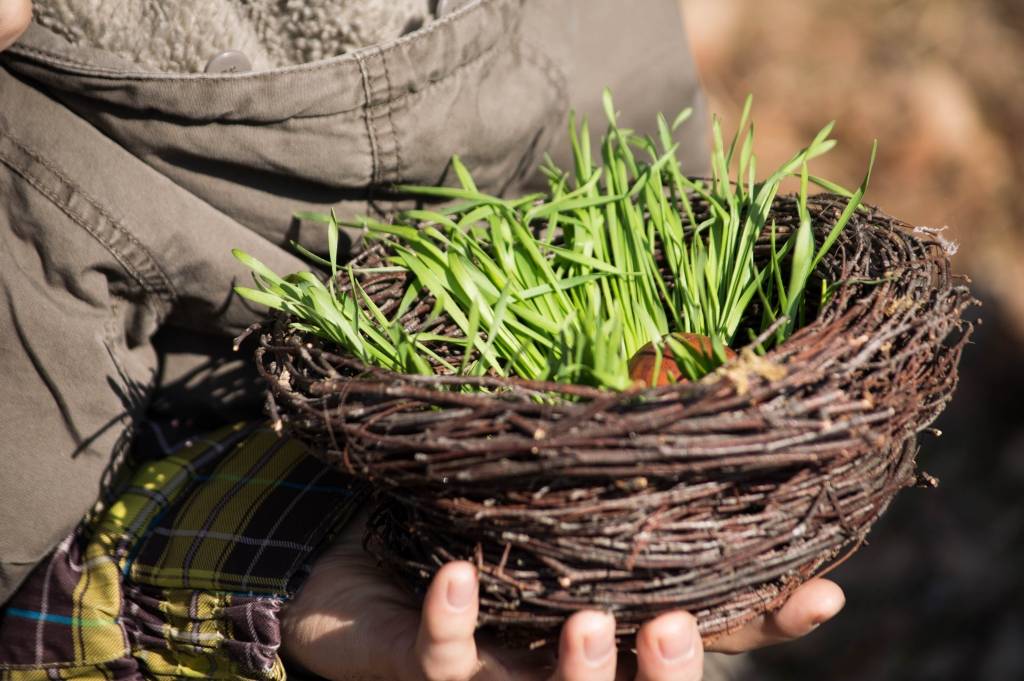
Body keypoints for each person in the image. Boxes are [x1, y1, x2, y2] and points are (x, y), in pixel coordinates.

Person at [0, 1, 845, 678]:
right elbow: (27, 586)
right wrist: (256, 574)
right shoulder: (33, 164)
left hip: (634, 569)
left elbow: (668, 208)